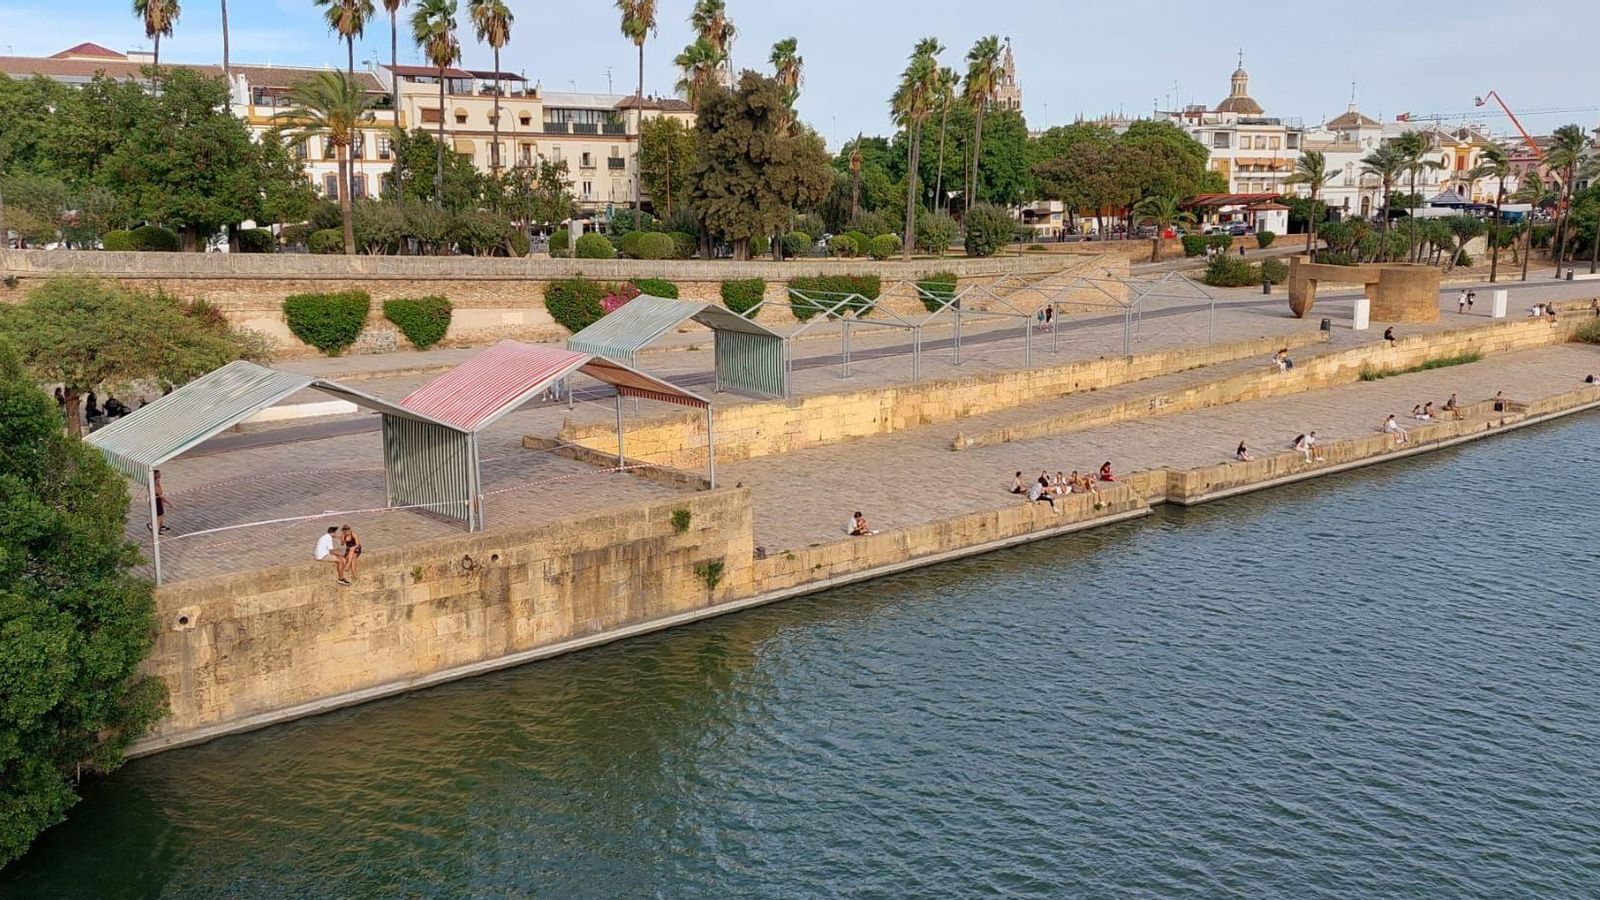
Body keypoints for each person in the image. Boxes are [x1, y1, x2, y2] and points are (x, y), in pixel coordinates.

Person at [149, 469, 170, 533]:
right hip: (157, 501)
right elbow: (160, 495)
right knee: (159, 516)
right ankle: (154, 528)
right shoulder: (156, 484)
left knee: (160, 514)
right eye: (158, 474)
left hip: (157, 500)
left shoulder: (154, 482)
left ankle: (161, 526)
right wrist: (168, 503)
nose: (160, 475)